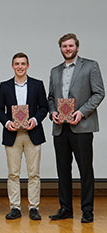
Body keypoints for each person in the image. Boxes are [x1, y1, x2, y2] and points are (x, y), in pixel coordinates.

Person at [48, 33, 105, 223]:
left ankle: (87, 210)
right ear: (61, 49)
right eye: (64, 46)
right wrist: (53, 112)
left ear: (77, 47)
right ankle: (65, 209)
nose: (67, 49)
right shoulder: (55, 71)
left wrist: (81, 112)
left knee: (85, 170)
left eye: (71, 46)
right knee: (63, 171)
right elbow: (50, 98)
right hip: (60, 128)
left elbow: (99, 93)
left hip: (82, 126)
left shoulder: (90, 66)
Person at [0, 53, 48, 220]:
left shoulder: (37, 85)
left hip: (33, 133)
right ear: (12, 66)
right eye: (16, 64)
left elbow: (44, 107)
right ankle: (15, 207)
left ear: (28, 65)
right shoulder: (4, 86)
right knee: (13, 174)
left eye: (23, 64)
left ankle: (33, 207)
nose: (20, 66)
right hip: (12, 135)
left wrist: (35, 120)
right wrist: (6, 123)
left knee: (34, 174)